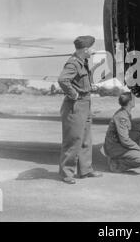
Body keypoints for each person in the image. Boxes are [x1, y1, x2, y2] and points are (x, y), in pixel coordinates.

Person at [58, 35, 102, 184]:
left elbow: (79, 81)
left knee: (85, 139)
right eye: (92, 47)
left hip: (85, 103)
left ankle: (85, 170)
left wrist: (90, 86)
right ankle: (66, 173)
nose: (94, 50)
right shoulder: (73, 63)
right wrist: (74, 94)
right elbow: (63, 80)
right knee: (73, 140)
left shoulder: (83, 62)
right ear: (86, 49)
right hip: (75, 105)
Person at [103, 92, 140, 173]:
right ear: (130, 102)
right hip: (114, 147)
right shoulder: (121, 117)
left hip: (117, 144)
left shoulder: (124, 112)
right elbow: (124, 140)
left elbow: (132, 125)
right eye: (133, 99)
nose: (135, 100)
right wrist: (138, 148)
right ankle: (117, 164)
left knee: (137, 133)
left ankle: (128, 156)